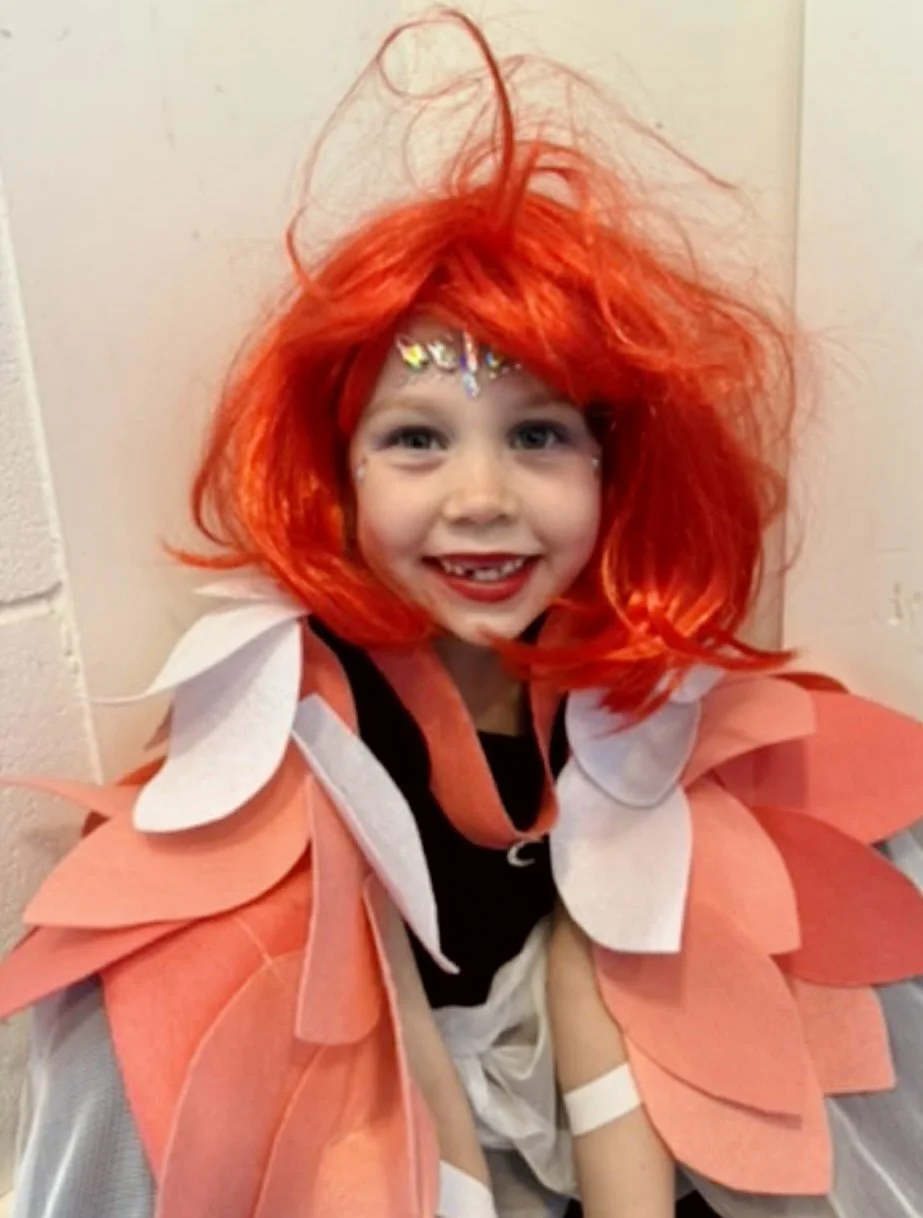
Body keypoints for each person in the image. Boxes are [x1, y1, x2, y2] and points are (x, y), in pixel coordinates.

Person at [1, 12, 922, 1218]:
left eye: (537, 436)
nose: (479, 502)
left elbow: (614, 943)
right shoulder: (304, 740)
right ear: (339, 475)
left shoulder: (625, 692)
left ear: (609, 466)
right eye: (416, 441)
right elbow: (377, 1054)